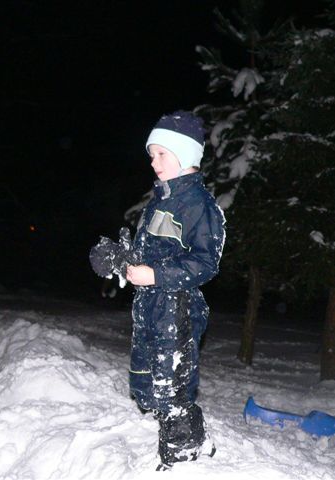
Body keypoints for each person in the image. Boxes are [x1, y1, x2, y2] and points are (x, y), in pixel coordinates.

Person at [125, 111, 226, 469]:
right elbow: (146, 255)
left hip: (177, 307)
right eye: (151, 155)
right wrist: (120, 261)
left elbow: (206, 262)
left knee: (172, 383)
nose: (154, 162)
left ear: (185, 155)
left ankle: (182, 456)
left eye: (161, 154)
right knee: (146, 375)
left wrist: (156, 275)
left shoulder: (199, 205)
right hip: (150, 305)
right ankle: (176, 432)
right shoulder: (159, 201)